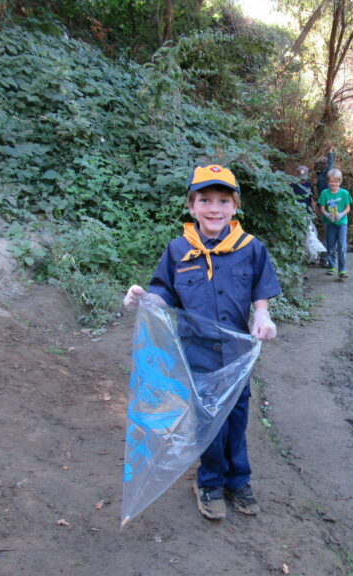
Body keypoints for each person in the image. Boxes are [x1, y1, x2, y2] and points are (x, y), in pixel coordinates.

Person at [123, 164, 281, 520]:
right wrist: (144, 300)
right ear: (191, 206)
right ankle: (209, 481)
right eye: (205, 200)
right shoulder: (179, 250)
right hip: (196, 355)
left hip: (237, 355)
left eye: (223, 200)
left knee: (236, 418)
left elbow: (261, 289)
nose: (214, 208)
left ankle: (238, 479)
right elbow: (163, 293)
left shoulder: (250, 248)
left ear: (235, 207)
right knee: (208, 420)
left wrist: (263, 315)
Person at [318, 167, 353, 278]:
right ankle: (332, 266)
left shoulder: (344, 193)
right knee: (331, 245)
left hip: (342, 223)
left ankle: (342, 269)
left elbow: (348, 208)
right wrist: (328, 215)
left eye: (336, 182)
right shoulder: (324, 193)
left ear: (340, 181)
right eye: (331, 181)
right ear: (328, 182)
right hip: (330, 223)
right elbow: (322, 208)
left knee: (342, 246)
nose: (333, 184)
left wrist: (341, 214)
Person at [291, 165, 327, 265]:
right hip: (297, 214)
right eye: (300, 179)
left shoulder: (308, 184)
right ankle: (300, 257)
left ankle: (310, 257)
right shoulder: (293, 185)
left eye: (304, 178)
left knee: (312, 234)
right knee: (299, 236)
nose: (302, 181)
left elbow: (311, 199)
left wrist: (314, 212)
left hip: (307, 214)